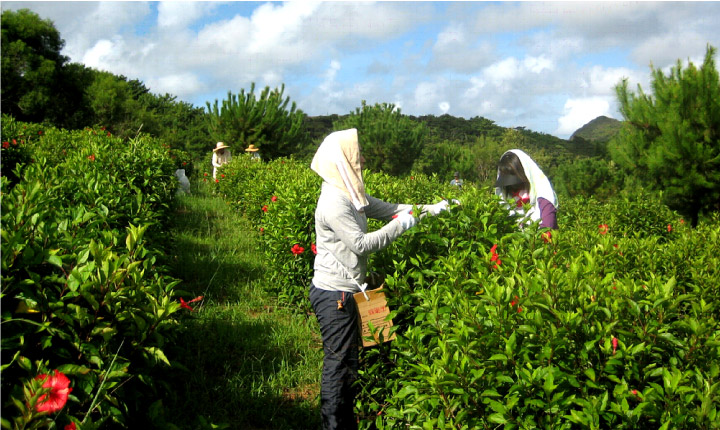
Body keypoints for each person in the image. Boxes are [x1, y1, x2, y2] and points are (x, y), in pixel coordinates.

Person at [309, 128, 452, 430]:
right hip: (336, 294)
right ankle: (333, 425)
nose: (361, 158)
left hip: (349, 290)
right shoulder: (335, 202)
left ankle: (345, 422)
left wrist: (430, 210)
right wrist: (403, 226)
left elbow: (389, 210)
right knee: (339, 366)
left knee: (349, 364)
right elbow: (361, 244)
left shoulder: (351, 193)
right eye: (356, 153)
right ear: (342, 160)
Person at [494, 149, 558, 230]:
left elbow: (547, 230)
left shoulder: (544, 199)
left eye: (518, 183)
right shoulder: (504, 203)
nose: (514, 188)